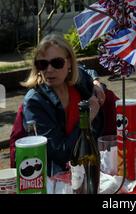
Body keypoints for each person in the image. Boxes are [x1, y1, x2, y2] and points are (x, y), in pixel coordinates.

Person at [22, 33, 107, 175]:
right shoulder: (35, 102)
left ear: (69, 63)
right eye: (42, 64)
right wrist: (87, 118)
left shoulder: (78, 82)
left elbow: (87, 72)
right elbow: (60, 152)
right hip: (57, 178)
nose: (49, 69)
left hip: (92, 167)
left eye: (57, 63)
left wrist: (97, 83)